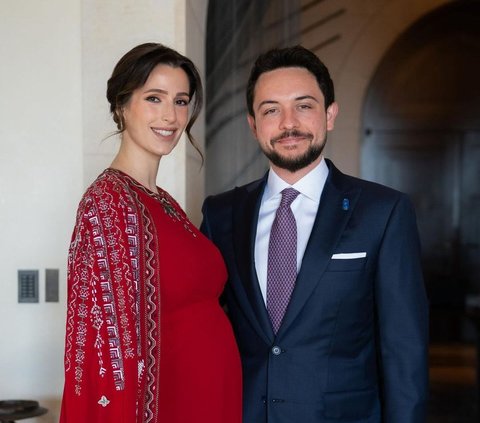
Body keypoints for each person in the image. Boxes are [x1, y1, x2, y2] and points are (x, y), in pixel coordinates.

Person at [200, 45, 428, 422]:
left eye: (303, 106)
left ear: (330, 114)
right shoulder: (221, 214)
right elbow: (204, 329)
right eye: (271, 109)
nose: (288, 123)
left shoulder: (383, 212)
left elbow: (404, 350)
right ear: (254, 125)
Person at [60, 43, 242, 423]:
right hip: (170, 408)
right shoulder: (108, 202)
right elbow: (104, 354)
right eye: (154, 98)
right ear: (121, 106)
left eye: (180, 101)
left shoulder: (164, 202)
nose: (170, 116)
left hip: (209, 401)